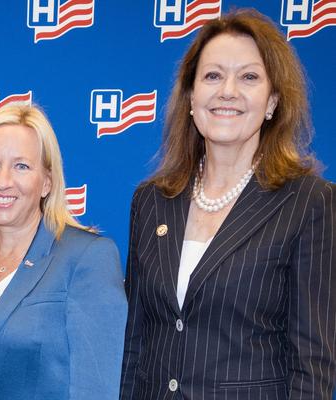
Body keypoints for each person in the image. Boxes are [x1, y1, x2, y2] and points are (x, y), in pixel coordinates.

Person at [120, 9, 335, 400]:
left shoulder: (309, 202)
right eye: (213, 75)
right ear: (190, 96)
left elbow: (313, 362)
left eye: (249, 77)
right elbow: (136, 344)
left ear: (271, 100)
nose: (228, 91)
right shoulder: (150, 201)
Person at [0, 104, 127, 399]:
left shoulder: (86, 258)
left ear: (47, 181)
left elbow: (95, 388)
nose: (3, 181)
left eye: (21, 166)